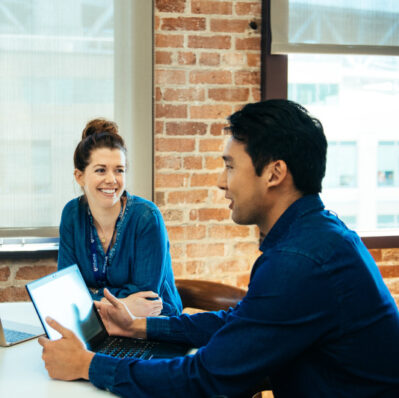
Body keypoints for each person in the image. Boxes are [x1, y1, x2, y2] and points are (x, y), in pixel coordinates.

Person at [40, 101, 399, 397]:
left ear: (274, 173)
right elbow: (238, 322)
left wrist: (87, 364)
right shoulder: (316, 236)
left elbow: (205, 378)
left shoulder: (299, 262)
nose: (219, 181)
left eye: (230, 165)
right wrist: (138, 328)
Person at [57, 118, 182, 317]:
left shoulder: (147, 217)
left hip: (153, 325)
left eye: (119, 170)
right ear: (79, 176)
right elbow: (66, 292)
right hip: (97, 323)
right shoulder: (72, 214)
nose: (112, 180)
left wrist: (90, 296)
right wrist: (125, 303)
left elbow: (146, 299)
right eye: (100, 170)